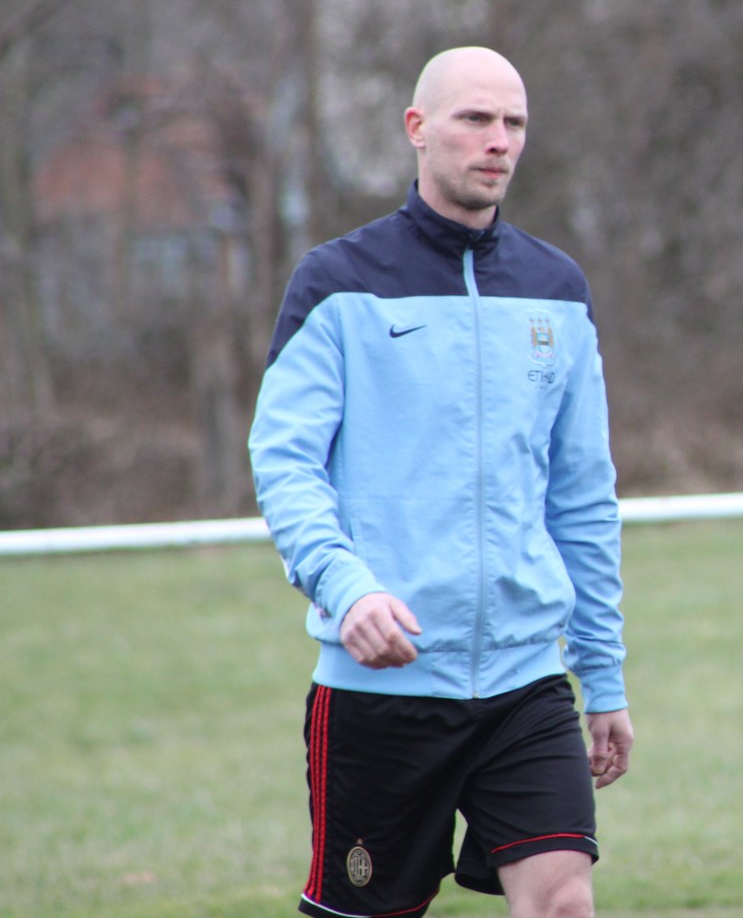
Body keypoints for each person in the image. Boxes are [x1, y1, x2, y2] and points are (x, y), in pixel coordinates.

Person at [248, 46, 631, 918]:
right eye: (476, 119)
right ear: (417, 128)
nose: (499, 140)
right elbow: (285, 462)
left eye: (515, 123)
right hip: (380, 690)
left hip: (527, 684)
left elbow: (582, 499)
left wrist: (603, 678)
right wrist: (347, 588)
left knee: (564, 899)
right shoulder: (337, 282)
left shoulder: (559, 290)